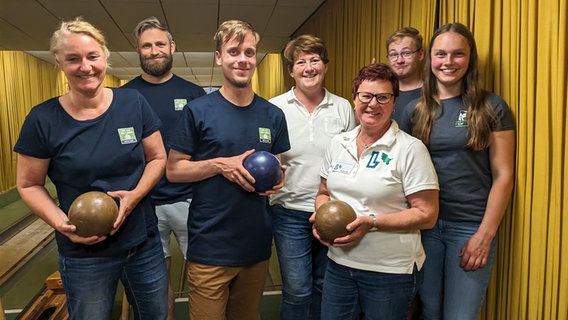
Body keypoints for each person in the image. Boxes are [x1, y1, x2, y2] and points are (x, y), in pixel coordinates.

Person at [14, 18, 168, 319]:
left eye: (92, 56)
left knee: (156, 315)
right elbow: (29, 184)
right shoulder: (42, 119)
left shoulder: (133, 102)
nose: (85, 67)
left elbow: (158, 158)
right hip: (84, 254)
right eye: (73, 59)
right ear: (59, 62)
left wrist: (134, 196)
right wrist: (61, 223)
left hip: (141, 243)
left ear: (105, 57)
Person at [166, 19, 290, 320]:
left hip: (256, 244)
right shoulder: (198, 111)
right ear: (220, 57)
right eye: (234, 51)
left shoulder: (273, 114)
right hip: (211, 247)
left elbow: (278, 166)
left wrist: (279, 177)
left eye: (249, 52)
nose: (243, 59)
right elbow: (174, 170)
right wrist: (220, 165)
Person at [399, 23, 515, 320]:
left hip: (470, 227)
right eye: (441, 54)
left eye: (457, 54)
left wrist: (485, 235)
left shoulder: (492, 107)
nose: (448, 62)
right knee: (430, 311)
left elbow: (503, 175)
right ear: (430, 59)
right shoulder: (416, 110)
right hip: (426, 228)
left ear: (470, 58)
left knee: (460, 316)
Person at [310, 63, 440, 320]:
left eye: (383, 97)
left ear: (394, 102)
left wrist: (372, 222)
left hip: (389, 271)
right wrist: (322, 219)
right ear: (354, 98)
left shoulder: (410, 149)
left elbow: (427, 214)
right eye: (366, 96)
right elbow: (323, 192)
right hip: (338, 264)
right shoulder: (339, 143)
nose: (373, 104)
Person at [121, 16, 206, 319]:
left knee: (202, 276)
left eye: (159, 44)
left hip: (190, 200)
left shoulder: (195, 94)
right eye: (147, 46)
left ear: (172, 47)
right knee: (155, 283)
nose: (154, 50)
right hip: (143, 204)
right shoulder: (124, 97)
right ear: (138, 51)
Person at [268, 34, 356, 320]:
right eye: (300, 62)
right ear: (291, 70)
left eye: (314, 60)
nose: (308, 68)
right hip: (289, 213)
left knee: (324, 285)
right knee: (297, 289)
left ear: (325, 66)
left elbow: (351, 157)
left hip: (332, 211)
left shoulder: (343, 107)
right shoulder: (274, 108)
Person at [385, 27, 425, 124]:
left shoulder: (433, 93)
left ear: (420, 54)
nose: (399, 60)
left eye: (406, 53)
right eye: (394, 54)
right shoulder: (382, 93)